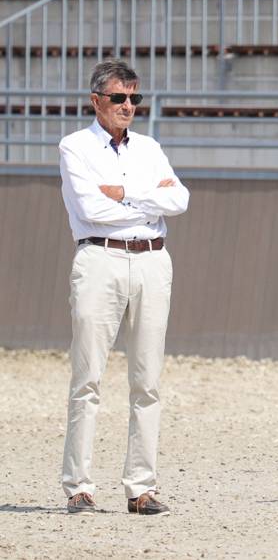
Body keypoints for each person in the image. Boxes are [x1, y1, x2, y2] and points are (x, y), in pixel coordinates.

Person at [59, 59, 189, 516]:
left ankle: (141, 487)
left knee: (147, 380)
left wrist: (125, 194)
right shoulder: (75, 146)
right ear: (96, 101)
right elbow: (92, 210)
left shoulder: (149, 147)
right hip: (101, 258)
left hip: (152, 259)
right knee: (88, 377)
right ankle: (79, 485)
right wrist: (151, 201)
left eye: (134, 98)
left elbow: (180, 199)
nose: (128, 105)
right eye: (119, 97)